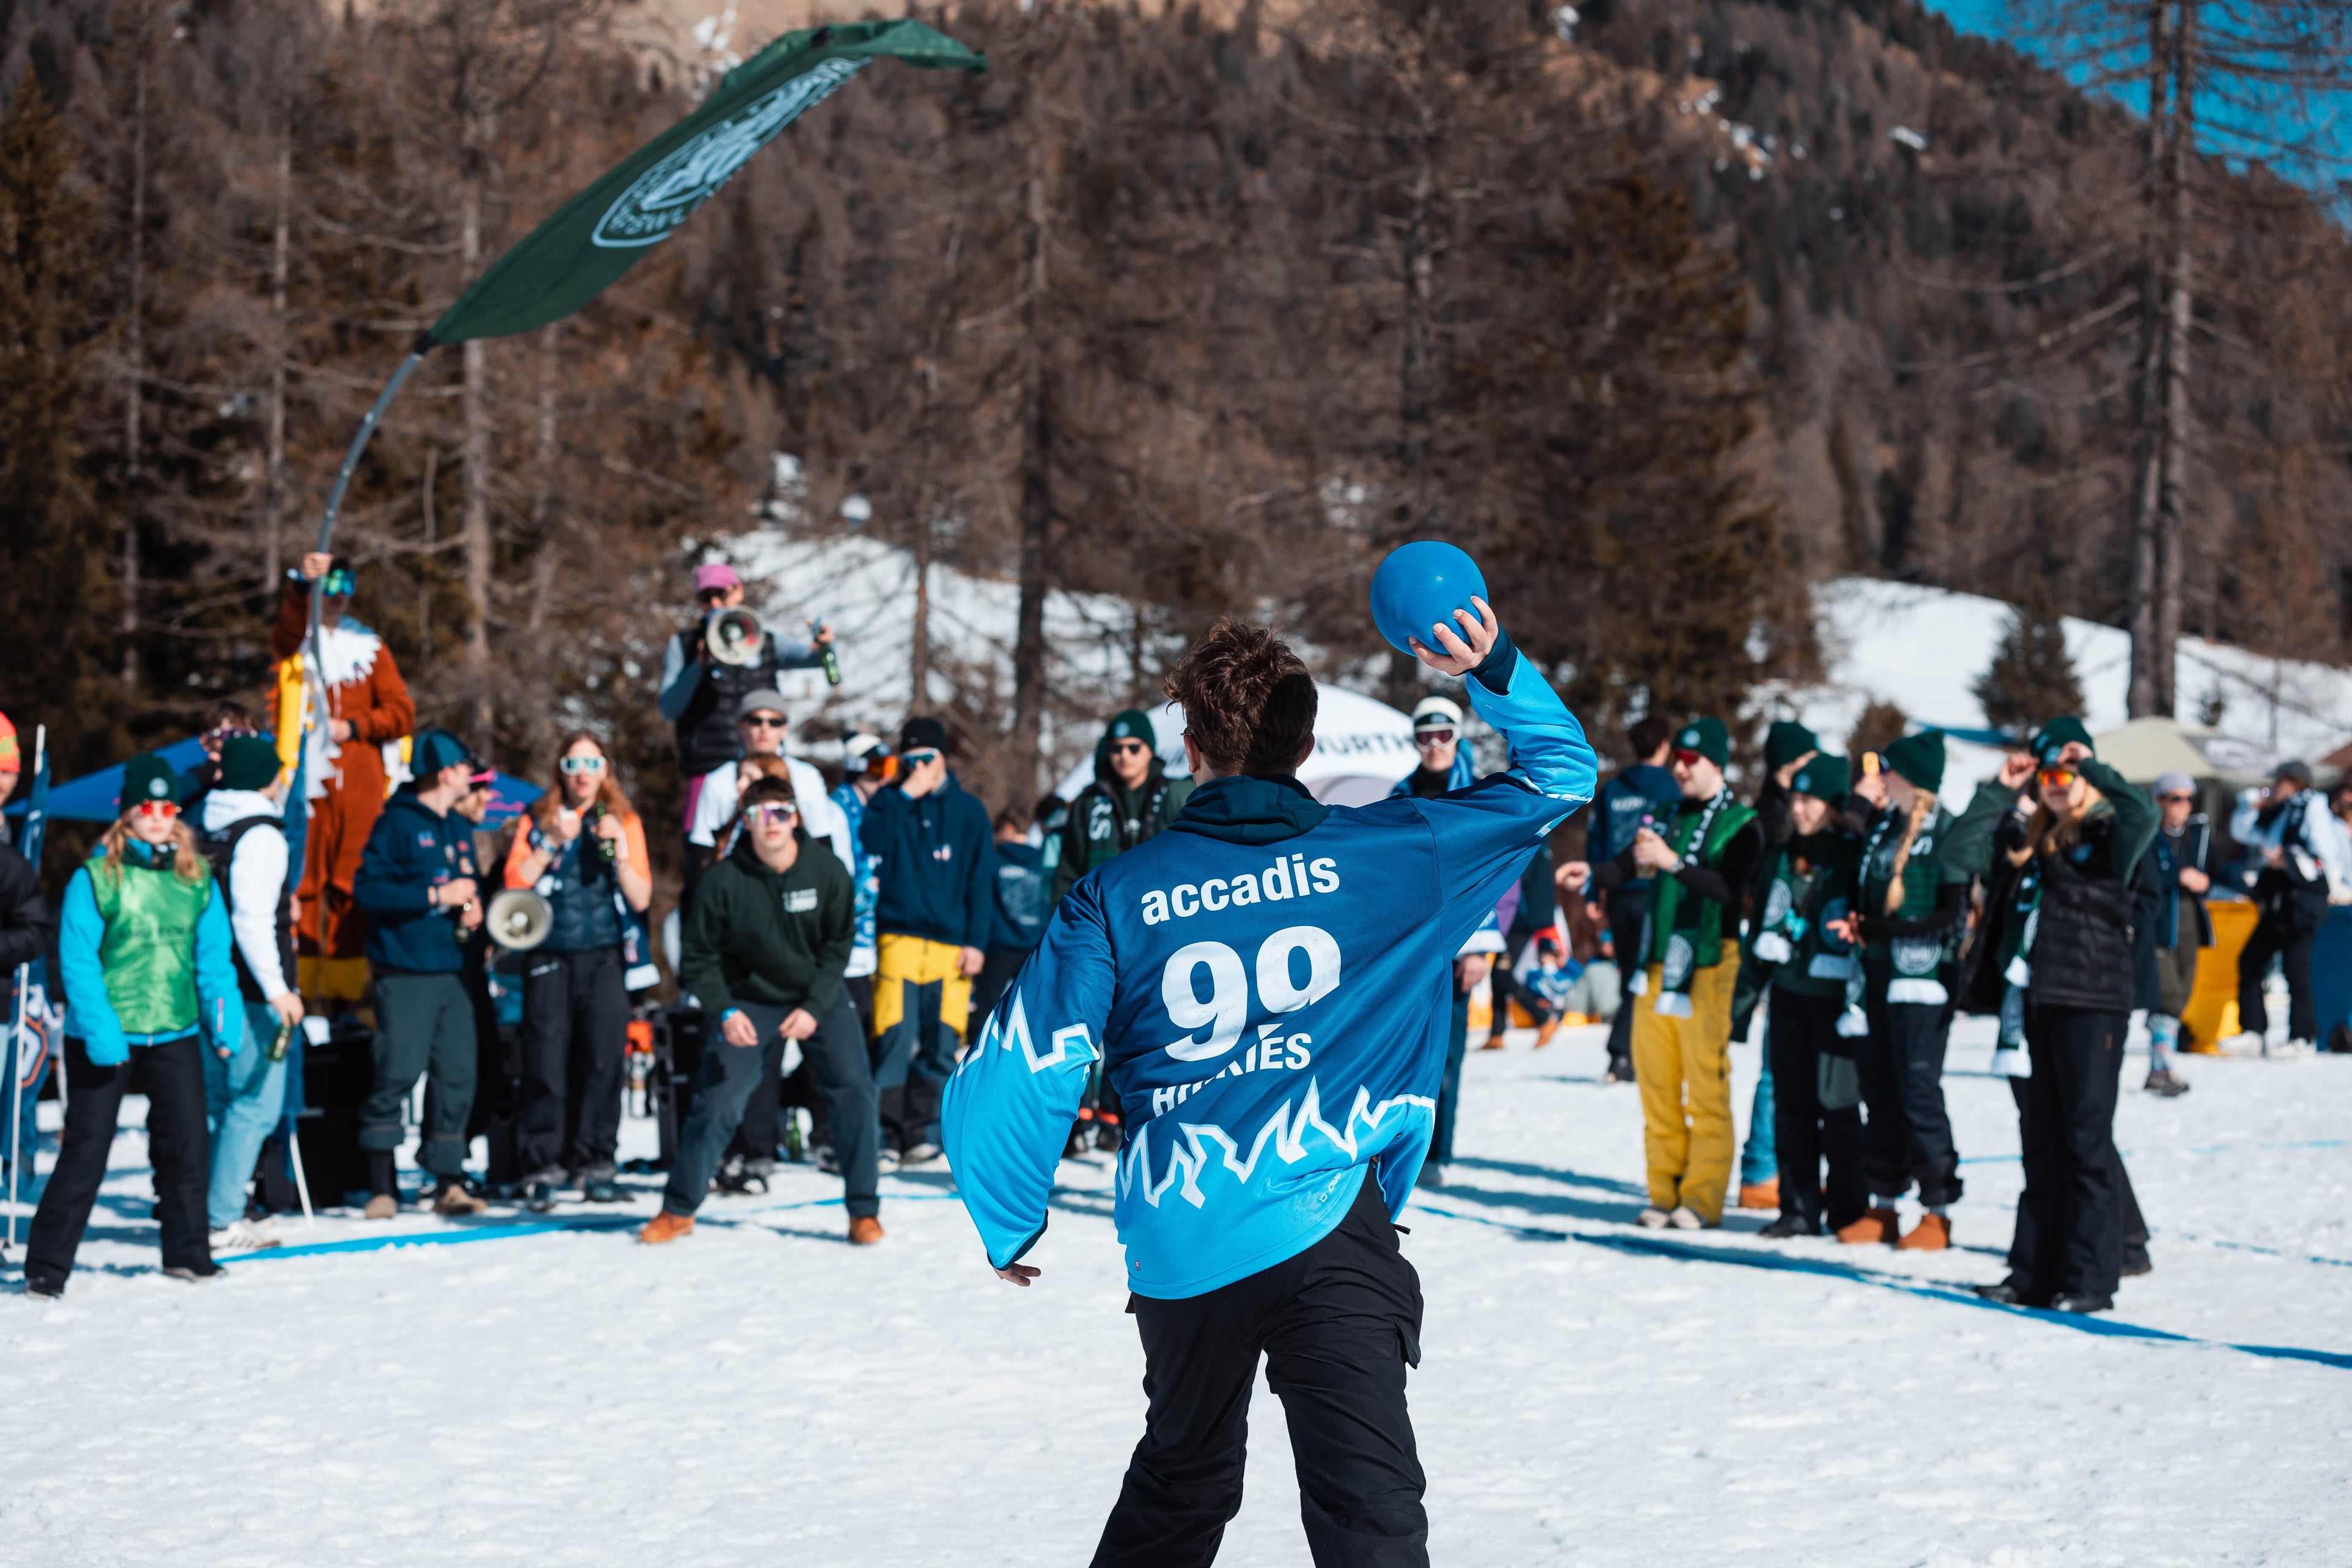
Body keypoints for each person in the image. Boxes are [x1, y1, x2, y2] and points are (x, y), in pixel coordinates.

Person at [943, 600, 1594, 1568]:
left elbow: (1023, 1056)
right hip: (1326, 1217)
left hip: (1182, 1226)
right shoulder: (1400, 850)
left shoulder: (1116, 892)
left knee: (1183, 1481)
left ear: (1191, 747)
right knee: (1368, 1507)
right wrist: (1491, 662)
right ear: (1308, 745)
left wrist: (1007, 1214)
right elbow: (1562, 776)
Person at [23, 753, 238, 1297]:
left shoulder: (196, 878)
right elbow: (77, 962)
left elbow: (214, 961)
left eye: (168, 808)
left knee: (187, 1144)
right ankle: (47, 1266)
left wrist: (224, 1023)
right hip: (106, 1034)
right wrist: (103, 1033)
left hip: (174, 1029)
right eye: (147, 807)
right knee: (87, 1150)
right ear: (127, 813)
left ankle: (188, 1252)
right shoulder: (97, 877)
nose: (158, 817)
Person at [1957, 730, 2157, 1313]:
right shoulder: (2026, 844)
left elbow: (2143, 813)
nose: (2055, 785)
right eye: (2047, 776)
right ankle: (2033, 1274)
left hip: (2091, 1004)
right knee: (2039, 1143)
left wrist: (2094, 766)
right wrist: (1999, 790)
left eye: (2065, 775)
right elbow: (1958, 850)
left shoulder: (2110, 835)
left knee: (2086, 1141)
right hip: (2032, 1006)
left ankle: (2091, 1279)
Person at [638, 774, 875, 1245]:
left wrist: (814, 1006)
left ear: (796, 818)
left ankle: (864, 1212)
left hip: (818, 995)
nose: (771, 822)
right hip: (748, 1000)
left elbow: (839, 944)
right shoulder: (722, 880)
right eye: (759, 814)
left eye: (781, 812)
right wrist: (724, 1011)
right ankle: (678, 1209)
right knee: (718, 1099)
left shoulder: (826, 869)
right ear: (745, 821)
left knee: (855, 1088)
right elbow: (698, 958)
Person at [1561, 717, 1760, 1230]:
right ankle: (1664, 1190)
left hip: (1710, 964)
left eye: (1692, 760)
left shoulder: (1742, 823)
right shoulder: (1667, 813)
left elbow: (1732, 891)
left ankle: (1702, 1197)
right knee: (1657, 1084)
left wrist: (1674, 863)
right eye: (1678, 760)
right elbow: (1627, 866)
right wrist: (1593, 874)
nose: (1681, 769)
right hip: (1656, 965)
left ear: (1717, 764)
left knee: (1705, 1085)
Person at [1827, 729, 1972, 1251]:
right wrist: (1858, 925)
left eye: (1885, 768)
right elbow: (1844, 855)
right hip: (1874, 977)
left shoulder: (1948, 830)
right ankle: (1883, 1202)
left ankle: (1937, 1211)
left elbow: (1952, 916)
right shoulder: (1883, 824)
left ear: (1909, 777)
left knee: (1918, 1091)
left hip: (1925, 983)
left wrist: (1879, 929)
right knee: (1880, 1090)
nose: (1879, 777)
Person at [500, 733, 653, 1210]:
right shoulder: (538, 818)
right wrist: (550, 842)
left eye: (591, 764)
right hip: (549, 953)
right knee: (546, 1062)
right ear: (559, 769)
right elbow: (513, 887)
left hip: (606, 955)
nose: (582, 774)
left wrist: (620, 851)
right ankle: (542, 1166)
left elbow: (642, 897)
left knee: (604, 1062)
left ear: (605, 769)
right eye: (572, 764)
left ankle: (596, 1163)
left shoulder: (624, 820)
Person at [351, 729, 490, 1219]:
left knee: (458, 1073)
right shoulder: (396, 823)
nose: (472, 777)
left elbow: (466, 888)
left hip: (455, 968)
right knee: (398, 1070)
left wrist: (473, 910)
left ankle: (447, 1180)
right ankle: (382, 1185)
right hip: (405, 969)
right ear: (446, 773)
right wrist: (434, 897)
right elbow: (368, 891)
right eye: (466, 768)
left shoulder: (458, 826)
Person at [270, 551, 416, 993]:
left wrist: (354, 727)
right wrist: (301, 585)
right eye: (329, 586)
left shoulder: (369, 648)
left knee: (350, 882)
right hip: (308, 783)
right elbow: (286, 632)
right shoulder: (301, 643)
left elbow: (401, 712)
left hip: (360, 783)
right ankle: (301, 984)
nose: (337, 596)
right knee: (304, 880)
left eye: (346, 585)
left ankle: (345, 992)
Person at [1742, 754, 1866, 1239]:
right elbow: (1763, 920)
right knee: (1791, 1104)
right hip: (1789, 993)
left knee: (1838, 1105)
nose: (1799, 809)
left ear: (1833, 804)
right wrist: (1744, 1003)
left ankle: (1849, 1209)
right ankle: (1797, 1207)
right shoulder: (1783, 851)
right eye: (1796, 799)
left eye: (1810, 800)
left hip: (1836, 1000)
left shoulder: (1853, 852)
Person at [861, 715, 993, 1164]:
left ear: (943, 758)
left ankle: (924, 1131)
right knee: (893, 1036)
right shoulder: (890, 800)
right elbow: (871, 840)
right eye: (910, 759)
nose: (918, 767)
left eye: (927, 758)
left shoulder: (969, 811)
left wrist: (976, 943)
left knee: (941, 1040)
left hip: (951, 945)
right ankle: (884, 1133)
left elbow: (981, 881)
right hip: (898, 938)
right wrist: (904, 795)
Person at [658, 564, 832, 892]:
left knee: (773, 838)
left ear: (738, 592)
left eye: (721, 594)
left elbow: (815, 660)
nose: (715, 604)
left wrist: (824, 646)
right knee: (703, 853)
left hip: (765, 763)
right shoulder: (685, 645)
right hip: (707, 765)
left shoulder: (765, 640)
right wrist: (698, 667)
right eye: (706, 598)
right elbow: (669, 707)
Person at [194, 734, 303, 1252]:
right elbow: (252, 919)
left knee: (221, 1102)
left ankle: (206, 1210)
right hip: (251, 992)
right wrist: (279, 990)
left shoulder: (209, 825)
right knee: (256, 1103)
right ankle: (220, 1217)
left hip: (210, 983)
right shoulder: (261, 833)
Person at [1390, 696, 1499, 1188]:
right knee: (1402, 1048)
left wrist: (1481, 945)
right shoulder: (1399, 795)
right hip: (1413, 945)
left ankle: (1438, 1152)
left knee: (1448, 1054)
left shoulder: (1478, 793)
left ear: (1458, 737)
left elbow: (1491, 871)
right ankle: (1398, 1150)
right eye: (1425, 736)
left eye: (1444, 735)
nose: (1434, 745)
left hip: (1460, 941)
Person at [1727, 720, 1820, 1211]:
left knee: (1781, 1068)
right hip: (1773, 950)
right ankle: (1761, 1168)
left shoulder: (1777, 809)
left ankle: (1771, 1166)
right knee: (1775, 1070)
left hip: (1779, 948)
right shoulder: (1776, 815)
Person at [1568, 715, 1681, 1084]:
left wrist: (1593, 893)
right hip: (1657, 893)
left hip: (1617, 894)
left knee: (1631, 972)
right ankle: (1624, 1052)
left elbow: (1596, 843)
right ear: (1664, 746)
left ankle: (1630, 1054)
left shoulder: (1613, 790)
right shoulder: (1673, 788)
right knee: (1651, 973)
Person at [2226, 759, 2348, 1057]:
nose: (2273, 788)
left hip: (2303, 903)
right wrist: (2250, 805)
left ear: (2293, 782)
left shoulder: (2313, 809)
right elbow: (2244, 833)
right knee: (2251, 960)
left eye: (2278, 782)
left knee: (2296, 968)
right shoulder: (2281, 811)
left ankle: (2302, 1037)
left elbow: (2325, 857)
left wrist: (2288, 860)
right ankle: (2253, 1031)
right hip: (2279, 902)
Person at [1051, 709, 1193, 905]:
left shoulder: (1176, 795)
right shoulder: (1089, 802)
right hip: (1103, 912)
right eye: (1116, 749)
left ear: (1150, 750)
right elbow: (1068, 871)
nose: (1124, 755)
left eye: (1133, 748)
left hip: (1163, 907)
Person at [2133, 771, 2209, 1095]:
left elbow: (2219, 869)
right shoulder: (2147, 835)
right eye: (2176, 799)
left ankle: (2160, 1068)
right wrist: (2178, 877)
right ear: (2159, 801)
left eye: (2189, 799)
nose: (2184, 805)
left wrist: (2207, 880)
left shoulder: (2196, 836)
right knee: (2168, 996)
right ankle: (2162, 1068)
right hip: (2159, 926)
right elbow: (2142, 878)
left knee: (2182, 996)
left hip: (2190, 925)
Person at [976, 806, 1048, 1028]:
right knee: (1032, 1012)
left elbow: (982, 902)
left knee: (985, 1009)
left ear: (1007, 828)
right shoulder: (1042, 861)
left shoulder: (993, 860)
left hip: (999, 947)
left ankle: (979, 1046)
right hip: (1036, 947)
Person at [176, 698, 258, 816]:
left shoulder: (259, 780)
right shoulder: (194, 783)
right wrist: (208, 770)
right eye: (229, 734)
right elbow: (167, 797)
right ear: (205, 741)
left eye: (246, 735)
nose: (238, 741)